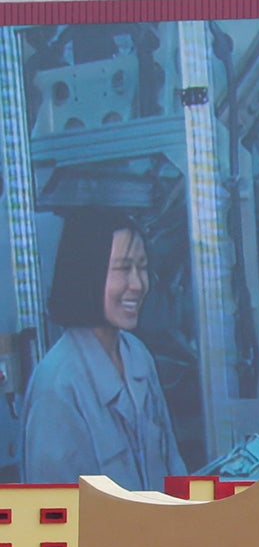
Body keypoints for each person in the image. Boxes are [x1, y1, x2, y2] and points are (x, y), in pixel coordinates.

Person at [22, 210, 185, 489]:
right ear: (88, 274)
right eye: (123, 268)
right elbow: (58, 511)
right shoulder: (58, 385)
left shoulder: (138, 356)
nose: (137, 284)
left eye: (142, 267)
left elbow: (172, 465)